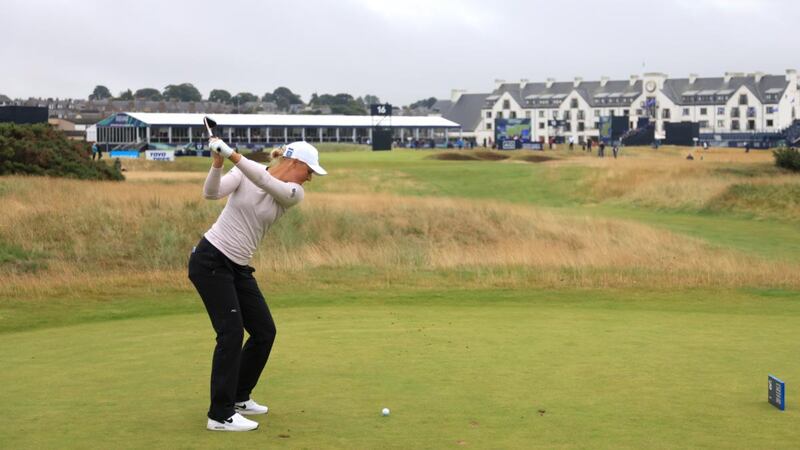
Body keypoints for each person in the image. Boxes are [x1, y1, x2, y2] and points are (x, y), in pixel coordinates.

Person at [189, 137, 326, 432]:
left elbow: (264, 180)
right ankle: (220, 415)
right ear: (295, 163)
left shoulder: (293, 192)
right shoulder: (244, 172)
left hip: (238, 267)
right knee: (231, 332)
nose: (310, 177)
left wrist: (232, 155)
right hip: (211, 260)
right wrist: (217, 163)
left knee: (264, 332)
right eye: (309, 170)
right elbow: (210, 193)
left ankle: (238, 396)